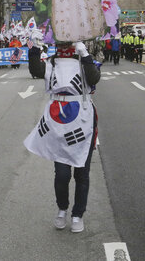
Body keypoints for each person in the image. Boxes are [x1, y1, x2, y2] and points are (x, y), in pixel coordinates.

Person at [24, 41, 100, 233]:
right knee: (62, 173)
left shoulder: (84, 60)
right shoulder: (52, 62)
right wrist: (33, 49)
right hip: (58, 122)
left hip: (82, 120)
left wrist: (85, 55)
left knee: (82, 173)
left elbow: (94, 78)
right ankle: (62, 208)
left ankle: (78, 214)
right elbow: (36, 70)